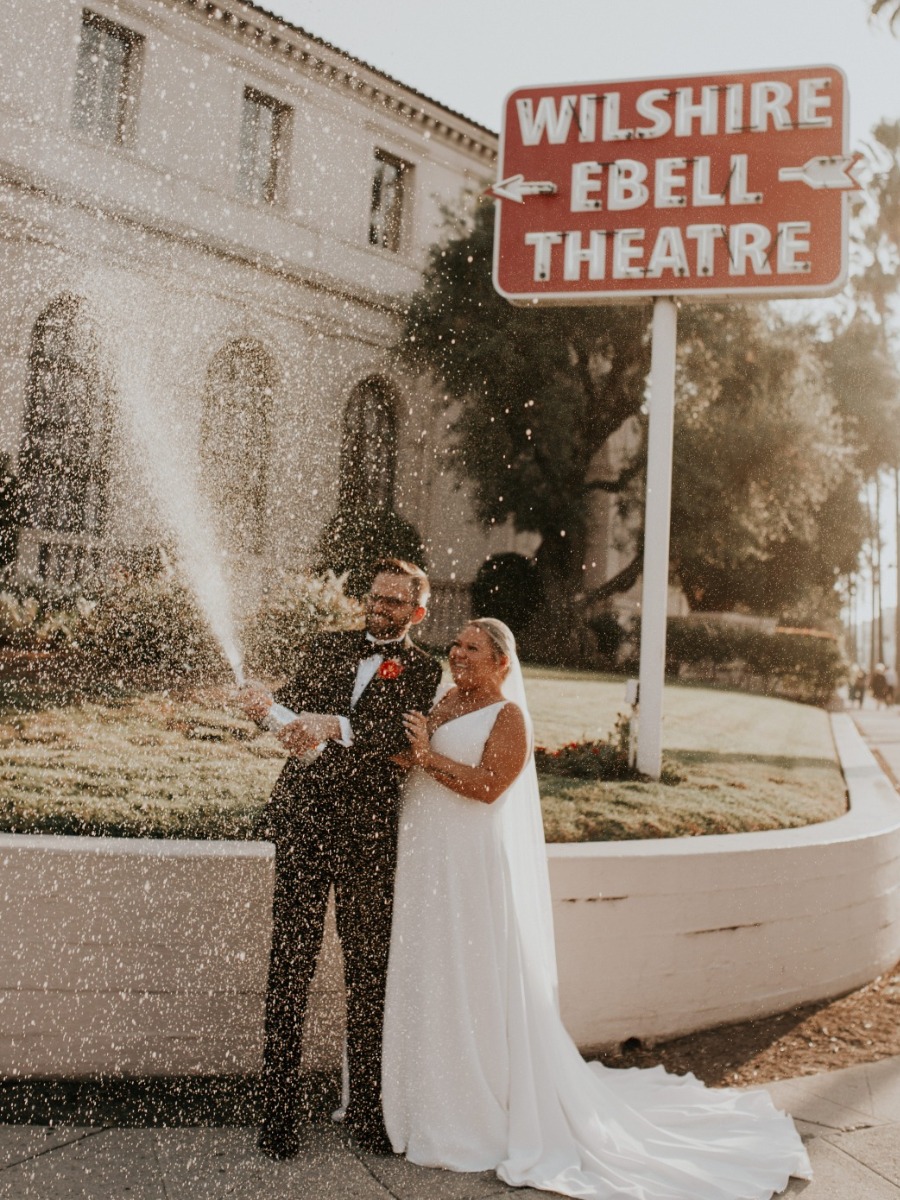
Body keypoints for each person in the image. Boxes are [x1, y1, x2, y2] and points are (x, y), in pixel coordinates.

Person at [382, 617, 812, 1199]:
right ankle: (422, 1096)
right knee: (431, 973)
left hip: (470, 870)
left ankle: (470, 1107)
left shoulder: (508, 716)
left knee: (470, 977)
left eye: (473, 648)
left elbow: (488, 786)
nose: (458, 653)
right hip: (429, 859)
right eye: (456, 644)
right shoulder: (444, 697)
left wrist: (427, 758)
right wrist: (409, 752)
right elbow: (418, 760)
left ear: (502, 662)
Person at [239, 559, 442, 1159]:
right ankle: (278, 1111)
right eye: (375, 599)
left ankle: (370, 1111)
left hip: (367, 837)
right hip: (303, 823)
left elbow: (395, 738)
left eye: (394, 604)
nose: (379, 610)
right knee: (289, 965)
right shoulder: (326, 647)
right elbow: (294, 714)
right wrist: (266, 710)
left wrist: (336, 725)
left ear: (417, 612)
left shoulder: (425, 670)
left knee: (367, 974)